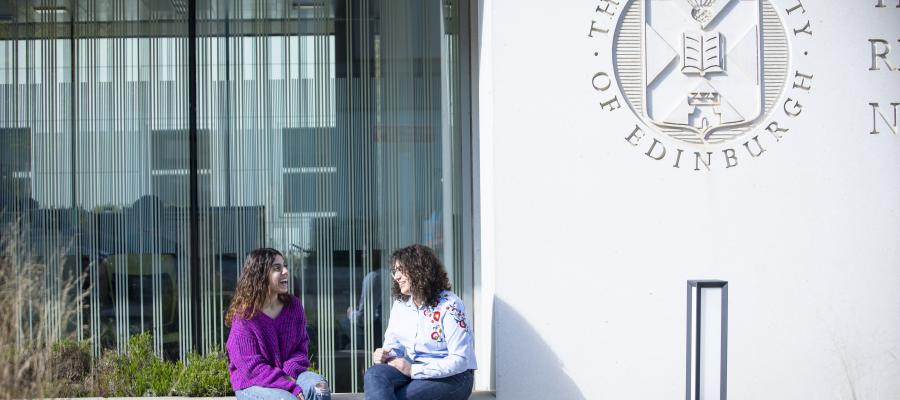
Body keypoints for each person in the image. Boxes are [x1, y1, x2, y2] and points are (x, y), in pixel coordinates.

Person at [364, 244, 476, 400]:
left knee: (399, 397)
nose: (396, 277)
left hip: (454, 378)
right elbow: (393, 348)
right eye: (395, 271)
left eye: (400, 270)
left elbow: (460, 360)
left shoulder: (450, 305)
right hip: (414, 369)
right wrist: (383, 355)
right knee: (374, 374)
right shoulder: (400, 305)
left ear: (419, 270)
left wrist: (413, 370)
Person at [225, 248, 330, 400]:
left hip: (291, 374)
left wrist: (288, 374)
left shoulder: (294, 306)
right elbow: (251, 368)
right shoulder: (244, 317)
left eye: (285, 266)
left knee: (320, 389)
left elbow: (301, 349)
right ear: (260, 275)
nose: (286, 271)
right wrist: (287, 385)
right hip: (253, 382)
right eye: (277, 268)